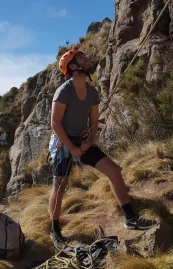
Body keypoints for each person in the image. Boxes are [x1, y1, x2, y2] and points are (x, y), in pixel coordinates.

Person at [48, 49, 155, 249]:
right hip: (62, 141)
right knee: (60, 185)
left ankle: (130, 217)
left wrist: (89, 139)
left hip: (81, 140)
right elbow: (55, 123)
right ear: (72, 66)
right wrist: (71, 147)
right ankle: (54, 229)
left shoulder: (92, 92)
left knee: (114, 171)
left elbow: (94, 122)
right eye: (81, 58)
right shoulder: (64, 91)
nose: (86, 58)